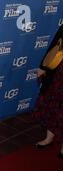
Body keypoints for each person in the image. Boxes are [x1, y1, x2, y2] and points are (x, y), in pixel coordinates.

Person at [34, 24, 63, 158]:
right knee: (54, 105)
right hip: (58, 73)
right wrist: (43, 67)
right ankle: (49, 138)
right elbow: (54, 45)